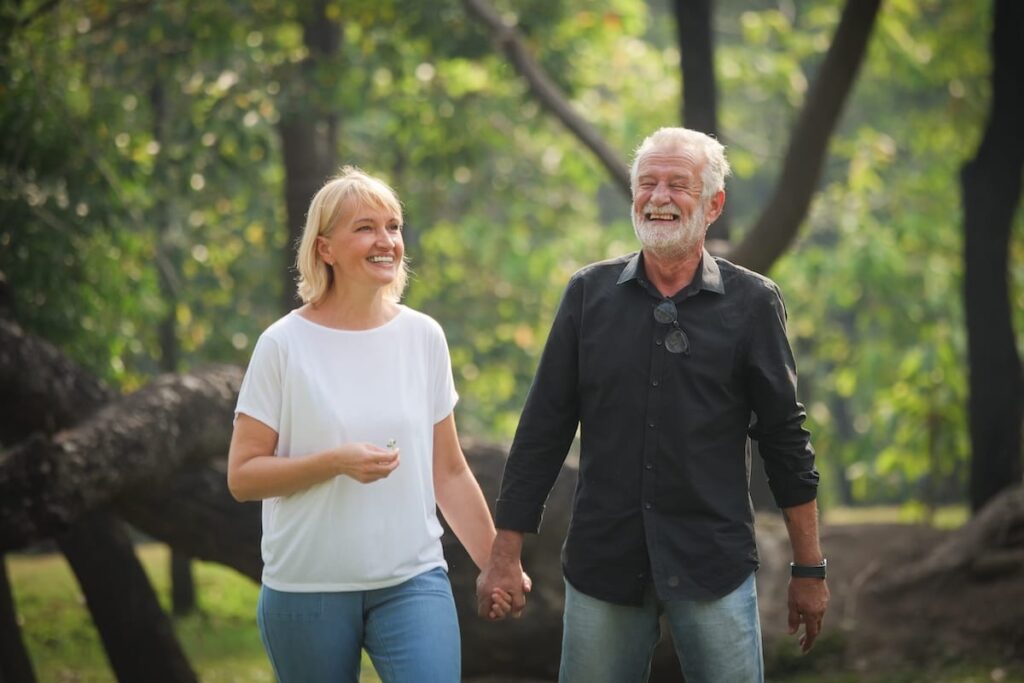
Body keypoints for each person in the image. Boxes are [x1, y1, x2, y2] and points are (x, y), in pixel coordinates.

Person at [476, 127, 829, 682]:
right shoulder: (588, 295)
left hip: (714, 562)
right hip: (604, 564)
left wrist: (810, 567)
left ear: (713, 204)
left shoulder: (753, 303)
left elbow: (786, 440)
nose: (659, 196)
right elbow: (542, 429)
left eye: (677, 184)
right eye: (647, 183)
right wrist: (505, 552)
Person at [227, 166, 515, 683]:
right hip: (306, 588)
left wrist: (497, 562)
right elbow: (243, 475)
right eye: (365, 228)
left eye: (394, 226)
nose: (386, 241)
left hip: (412, 579)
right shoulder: (282, 345)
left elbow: (448, 472)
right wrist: (334, 463)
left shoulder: (423, 337)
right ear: (325, 249)